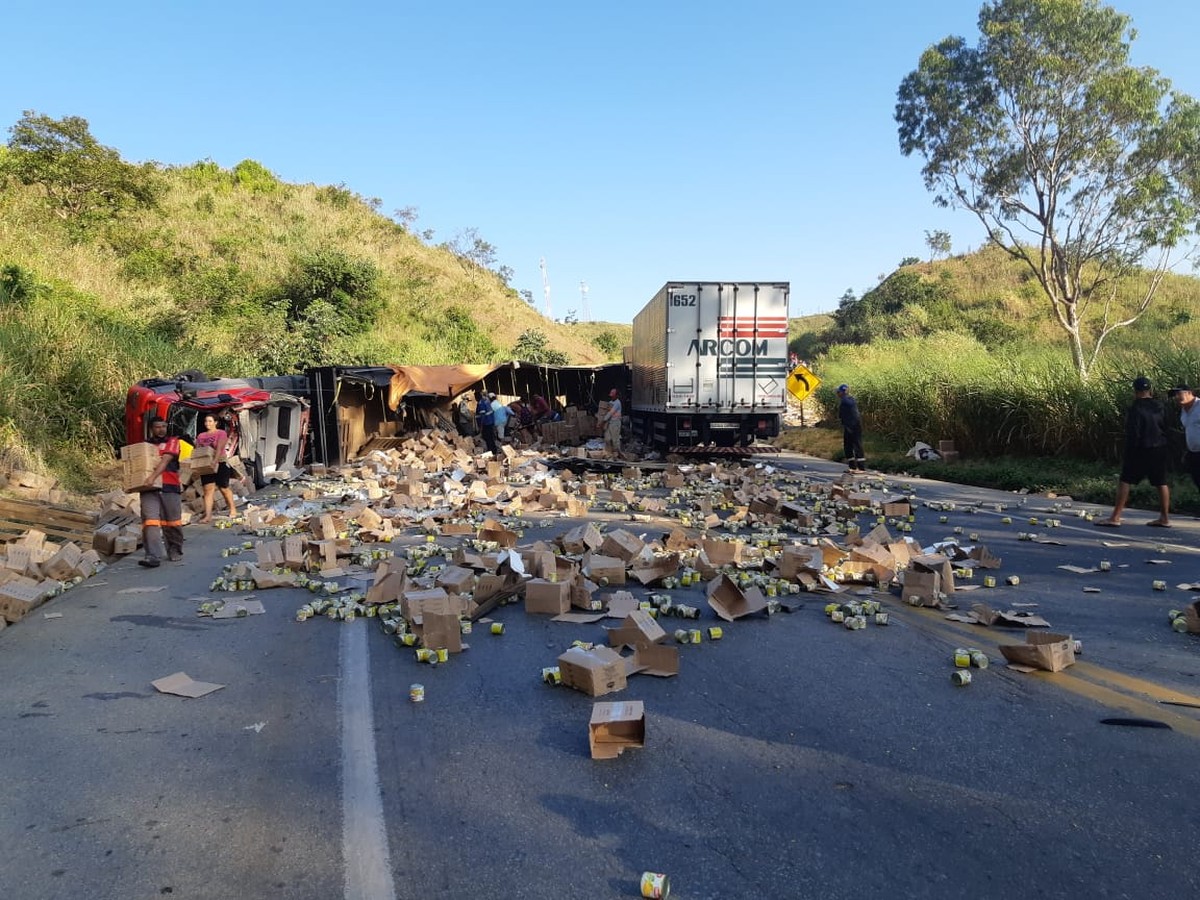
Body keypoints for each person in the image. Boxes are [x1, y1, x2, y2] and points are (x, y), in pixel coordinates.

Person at [1097, 376, 1170, 527]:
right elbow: (1166, 427)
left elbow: (1133, 432)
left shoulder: (1135, 408)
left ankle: (1115, 517)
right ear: (1150, 390)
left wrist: (1129, 452)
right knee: (1161, 482)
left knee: (1125, 480)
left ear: (1135, 391)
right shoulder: (1160, 406)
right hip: (1159, 447)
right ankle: (1164, 518)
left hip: (1140, 448)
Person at [139, 416, 184, 567]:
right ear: (152, 428)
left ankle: (174, 549)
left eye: (163, 426)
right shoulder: (144, 445)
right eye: (158, 427)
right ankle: (152, 556)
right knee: (149, 520)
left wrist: (152, 476)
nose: (161, 429)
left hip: (169, 485)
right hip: (148, 487)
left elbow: (165, 460)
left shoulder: (173, 441)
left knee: (172, 522)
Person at [196, 414, 237, 524]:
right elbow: (198, 450)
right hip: (206, 464)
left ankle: (233, 509)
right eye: (206, 421)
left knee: (223, 487)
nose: (207, 424)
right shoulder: (201, 436)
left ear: (216, 422)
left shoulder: (221, 433)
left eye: (210, 421)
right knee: (208, 490)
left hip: (220, 463)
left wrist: (215, 461)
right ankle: (208, 515)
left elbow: (219, 448)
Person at [1169, 384, 1200, 494]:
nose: (1176, 397)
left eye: (1179, 394)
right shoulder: (1184, 410)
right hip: (1193, 453)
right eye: (1175, 395)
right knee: (1197, 480)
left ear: (1189, 393)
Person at [836, 384, 866, 471]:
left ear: (842, 392)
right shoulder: (848, 400)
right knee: (848, 446)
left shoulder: (846, 401)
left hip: (853, 426)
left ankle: (860, 467)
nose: (838, 394)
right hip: (849, 426)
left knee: (856, 445)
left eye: (839, 392)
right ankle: (852, 466)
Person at [598, 388, 623, 456]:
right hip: (609, 423)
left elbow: (610, 413)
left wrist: (602, 422)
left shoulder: (617, 403)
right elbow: (606, 412)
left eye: (613, 395)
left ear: (616, 395)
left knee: (615, 440)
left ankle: (617, 454)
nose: (611, 396)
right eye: (611, 395)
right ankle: (609, 453)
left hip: (615, 423)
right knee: (607, 439)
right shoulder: (610, 403)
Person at [475, 389, 497, 454]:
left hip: (486, 423)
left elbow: (482, 416)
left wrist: (481, 427)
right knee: (491, 437)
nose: (475, 399)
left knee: (487, 438)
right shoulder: (486, 401)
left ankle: (491, 451)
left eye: (475, 397)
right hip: (490, 422)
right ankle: (494, 450)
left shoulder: (481, 403)